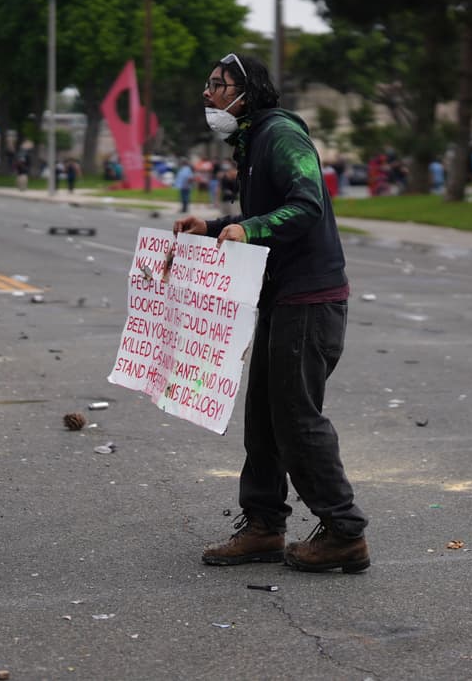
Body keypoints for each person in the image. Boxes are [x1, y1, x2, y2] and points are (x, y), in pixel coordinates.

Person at [175, 52, 369, 574]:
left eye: (218, 84)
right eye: (208, 84)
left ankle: (344, 531)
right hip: (282, 298)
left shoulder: (280, 135)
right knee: (262, 415)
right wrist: (216, 227)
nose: (209, 95)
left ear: (247, 90)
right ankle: (263, 525)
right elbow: (261, 213)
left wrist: (251, 230)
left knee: (296, 418)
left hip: (311, 300)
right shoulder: (252, 140)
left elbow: (308, 204)